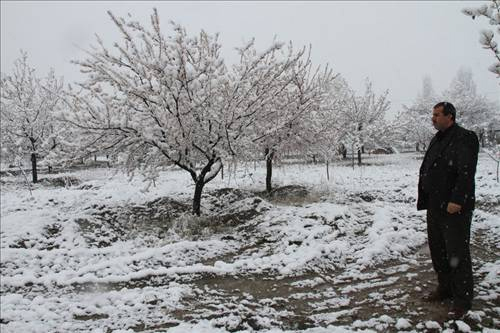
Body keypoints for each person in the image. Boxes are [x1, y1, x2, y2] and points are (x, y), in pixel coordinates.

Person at [417, 101, 479, 320]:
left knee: (456, 253)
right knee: (439, 250)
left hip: (454, 207)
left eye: (437, 114)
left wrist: (457, 199)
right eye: (432, 114)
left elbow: (466, 172)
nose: (432, 118)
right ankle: (445, 288)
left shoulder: (465, 137)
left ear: (449, 116)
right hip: (435, 205)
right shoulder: (438, 138)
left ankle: (462, 300)